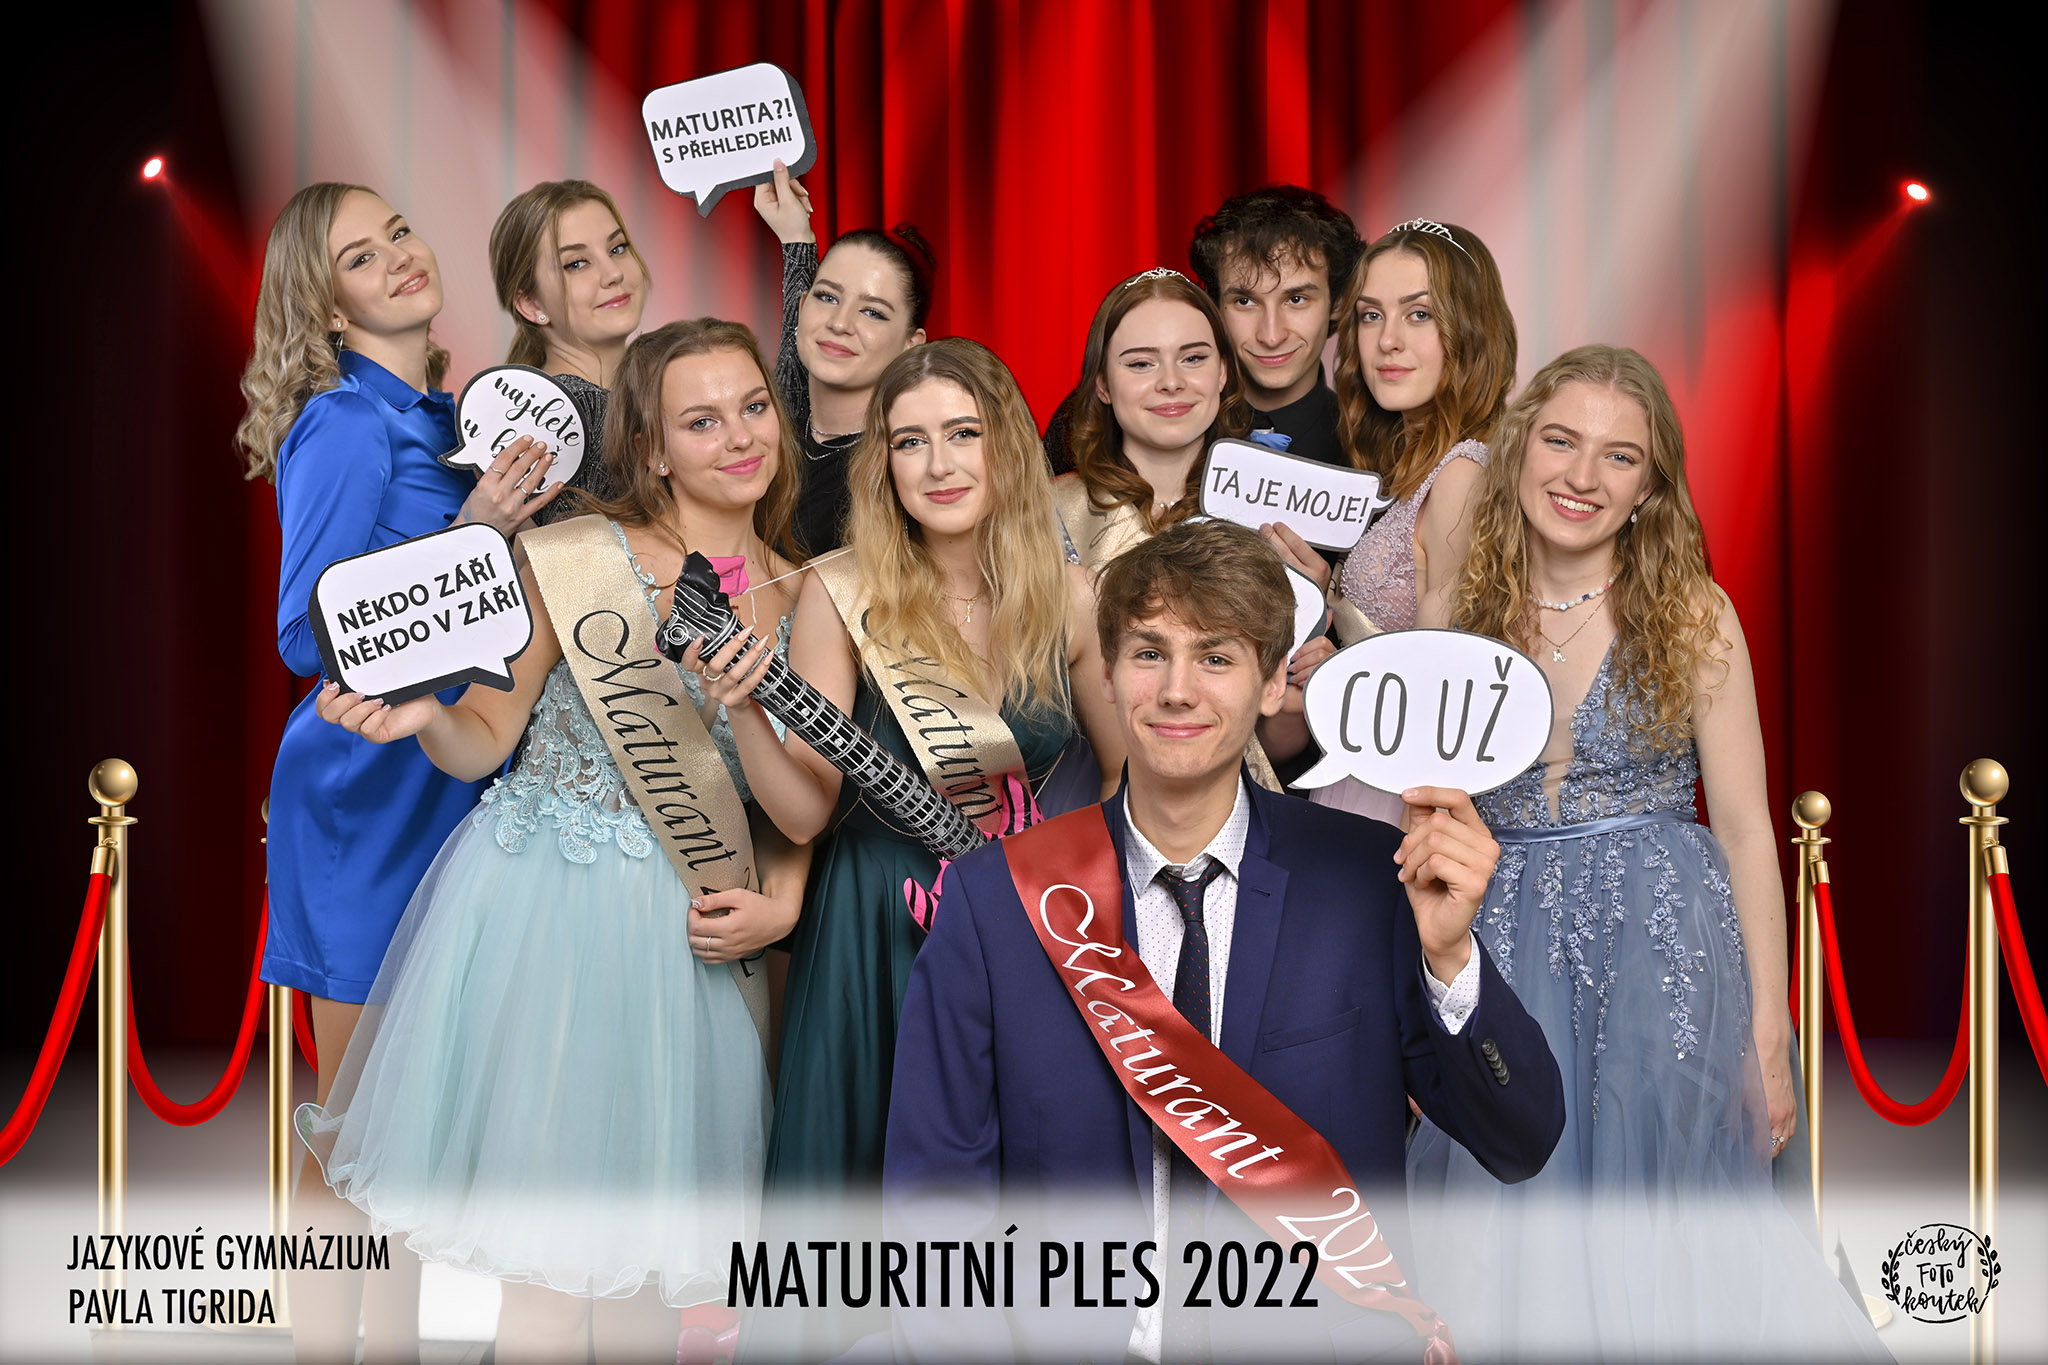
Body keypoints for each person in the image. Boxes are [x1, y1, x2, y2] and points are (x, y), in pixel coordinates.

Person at [881, 519, 1565, 1363]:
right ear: (1107, 673)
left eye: (1216, 656)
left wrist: (1451, 961)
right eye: (1149, 652)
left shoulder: (1369, 884)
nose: (1177, 690)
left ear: (1274, 682)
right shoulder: (997, 903)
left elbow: (1521, 1140)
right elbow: (933, 1213)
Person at [301, 319, 809, 1364]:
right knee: (544, 1294)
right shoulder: (573, 558)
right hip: (551, 924)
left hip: (688, 946)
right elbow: (486, 736)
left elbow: (801, 807)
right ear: (652, 449)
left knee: (639, 1298)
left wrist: (785, 898)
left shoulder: (804, 595)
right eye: (701, 420)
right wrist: (426, 717)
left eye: (753, 407)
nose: (739, 437)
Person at [1401, 345, 1888, 1360]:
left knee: (1663, 1224)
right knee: (1505, 1209)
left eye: (1618, 457)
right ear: (1518, 450)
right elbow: (1426, 819)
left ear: (1648, 489)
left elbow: (1745, 829)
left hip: (1657, 949)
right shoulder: (1453, 615)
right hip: (1501, 940)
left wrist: (1767, 1027)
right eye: (1560, 441)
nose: (1581, 476)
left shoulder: (1693, 614)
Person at [236, 180, 561, 1365]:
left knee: (412, 1134)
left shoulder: (442, 414)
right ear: (328, 307)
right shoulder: (344, 423)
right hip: (362, 794)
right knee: (358, 1122)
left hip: (450, 770)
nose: (399, 260)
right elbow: (304, 631)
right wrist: (474, 532)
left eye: (400, 234)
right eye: (362, 258)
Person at [1278, 218, 1517, 825]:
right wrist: (1325, 598)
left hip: (1406, 792)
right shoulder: (1412, 467)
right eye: (1370, 315)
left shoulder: (1462, 474)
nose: (1387, 340)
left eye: (1419, 314)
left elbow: (1441, 687)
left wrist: (1343, 670)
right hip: (1366, 768)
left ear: (1471, 332)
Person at [1051, 268, 1319, 790]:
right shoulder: (1047, 513)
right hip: (1082, 797)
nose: (1170, 381)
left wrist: (1298, 689)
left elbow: (1271, 746)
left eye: (1193, 358)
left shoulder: (1276, 516)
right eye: (1141, 363)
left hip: (1235, 801)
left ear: (1223, 373)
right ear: (1102, 383)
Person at [752, 159, 933, 552]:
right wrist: (796, 237)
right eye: (828, 297)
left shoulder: (903, 469)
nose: (839, 323)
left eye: (873, 312)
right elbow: (792, 368)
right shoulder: (770, 426)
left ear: (912, 345)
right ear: (803, 307)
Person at [488, 177, 651, 519]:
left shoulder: (658, 381)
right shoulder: (546, 428)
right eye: (576, 264)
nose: (613, 273)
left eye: (617, 248)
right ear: (531, 304)